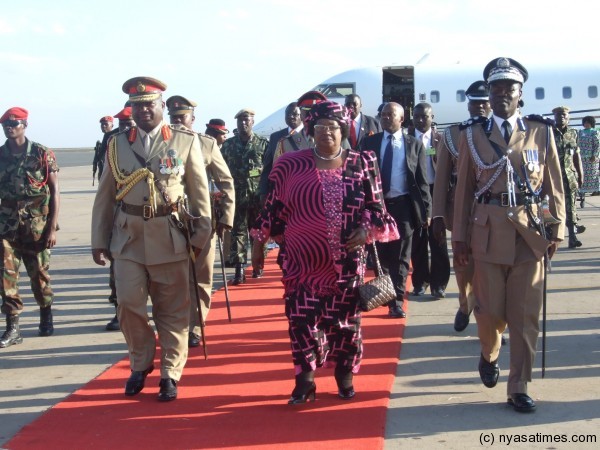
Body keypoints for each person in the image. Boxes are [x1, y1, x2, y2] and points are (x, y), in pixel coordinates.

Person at [251, 100, 399, 404]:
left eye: (332, 128)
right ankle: (304, 381)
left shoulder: (363, 161)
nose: (326, 134)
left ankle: (344, 375)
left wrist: (366, 229)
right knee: (301, 321)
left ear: (343, 130)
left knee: (345, 323)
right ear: (310, 131)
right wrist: (259, 242)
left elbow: (377, 208)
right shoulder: (290, 164)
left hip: (346, 262)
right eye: (319, 128)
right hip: (302, 265)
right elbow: (273, 209)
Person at [453, 57, 565, 413]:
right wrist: (458, 239)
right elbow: (463, 192)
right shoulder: (472, 135)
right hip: (486, 234)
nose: (502, 94)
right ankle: (489, 353)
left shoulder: (541, 132)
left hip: (529, 236)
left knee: (525, 314)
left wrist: (556, 227)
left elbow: (553, 187)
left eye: (509, 89)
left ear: (520, 95)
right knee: (490, 314)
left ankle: (519, 385)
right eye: (496, 88)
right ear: (489, 92)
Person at [91, 77, 212, 401]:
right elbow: (105, 194)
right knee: (129, 304)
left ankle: (170, 372)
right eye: (138, 105)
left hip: (169, 236)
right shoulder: (117, 144)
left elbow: (200, 194)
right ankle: (141, 362)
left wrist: (201, 238)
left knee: (172, 310)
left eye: (150, 104)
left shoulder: (185, 142)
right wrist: (98, 239)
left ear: (162, 106)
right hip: (128, 238)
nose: (144, 110)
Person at [166, 95, 235, 349]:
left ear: (193, 119)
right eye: (173, 118)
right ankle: (176, 324)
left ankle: (196, 326)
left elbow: (226, 181)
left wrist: (226, 218)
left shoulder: (206, 144)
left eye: (182, 118)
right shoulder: (163, 144)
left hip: (202, 222)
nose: (177, 123)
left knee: (201, 277)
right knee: (173, 278)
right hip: (170, 223)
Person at [432, 81, 491, 332]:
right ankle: (466, 304)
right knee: (463, 266)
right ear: (467, 105)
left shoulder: (500, 132)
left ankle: (489, 322)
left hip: (491, 210)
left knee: (489, 268)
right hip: (462, 210)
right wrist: (436, 215)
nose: (478, 107)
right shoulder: (453, 134)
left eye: (483, 103)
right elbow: (442, 176)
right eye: (474, 102)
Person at [362, 102, 431, 319]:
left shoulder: (413, 144)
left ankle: (397, 302)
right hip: (377, 207)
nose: (385, 118)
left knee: (401, 257)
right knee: (380, 258)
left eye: (390, 115)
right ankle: (384, 294)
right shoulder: (369, 142)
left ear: (401, 119)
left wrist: (426, 210)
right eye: (382, 115)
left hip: (403, 206)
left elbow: (421, 180)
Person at [0, 107, 60, 348]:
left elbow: (54, 191)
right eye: (5, 124)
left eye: (14, 123)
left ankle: (46, 314)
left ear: (25, 125)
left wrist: (52, 228)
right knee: (5, 278)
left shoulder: (42, 153)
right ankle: (12, 328)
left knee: (40, 276)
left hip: (37, 225)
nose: (9, 127)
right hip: (6, 226)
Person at [220, 108, 268, 284]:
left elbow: (270, 170)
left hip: (257, 197)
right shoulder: (228, 145)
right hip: (236, 196)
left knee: (257, 233)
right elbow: (220, 169)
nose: (243, 123)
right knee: (237, 233)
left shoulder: (263, 144)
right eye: (240, 121)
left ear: (252, 122)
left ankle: (258, 267)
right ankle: (239, 271)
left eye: (246, 120)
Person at [409, 102, 450, 298]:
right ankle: (420, 282)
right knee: (418, 240)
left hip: (436, 191)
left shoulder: (440, 140)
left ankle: (439, 284)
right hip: (415, 194)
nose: (419, 120)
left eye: (424, 117)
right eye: (416, 116)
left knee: (438, 239)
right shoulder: (407, 139)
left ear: (432, 117)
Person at [104, 106, 136, 332]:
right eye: (122, 124)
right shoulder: (114, 145)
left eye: (129, 123)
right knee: (118, 270)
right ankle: (118, 311)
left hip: (151, 220)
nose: (125, 128)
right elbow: (106, 192)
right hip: (121, 218)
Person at [552, 106, 584, 248]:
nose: (562, 117)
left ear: (568, 116)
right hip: (553, 176)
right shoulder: (549, 132)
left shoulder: (573, 133)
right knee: (554, 206)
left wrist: (580, 173)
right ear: (554, 116)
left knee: (571, 206)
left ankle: (572, 236)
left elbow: (576, 154)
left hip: (569, 175)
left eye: (564, 115)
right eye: (559, 115)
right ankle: (551, 237)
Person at [259, 102, 302, 203]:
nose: (291, 117)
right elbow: (268, 167)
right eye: (287, 114)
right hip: (281, 191)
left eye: (295, 114)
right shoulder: (276, 137)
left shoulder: (310, 135)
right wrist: (263, 192)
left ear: (302, 115)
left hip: (304, 190)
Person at [273, 91, 328, 160]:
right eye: (307, 112)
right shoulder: (286, 144)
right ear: (301, 114)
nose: (312, 116)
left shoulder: (336, 141)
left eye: (317, 112)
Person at [578, 116, 600, 201]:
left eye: (588, 122)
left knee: (593, 174)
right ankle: (582, 191)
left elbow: (597, 145)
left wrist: (594, 155)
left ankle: (596, 190)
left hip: (591, 158)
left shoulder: (595, 132)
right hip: (582, 158)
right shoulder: (580, 132)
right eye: (585, 122)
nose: (586, 124)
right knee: (582, 174)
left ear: (592, 123)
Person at [93, 116, 114, 183]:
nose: (103, 126)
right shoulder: (103, 141)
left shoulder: (114, 139)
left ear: (112, 125)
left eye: (106, 124)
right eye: (102, 124)